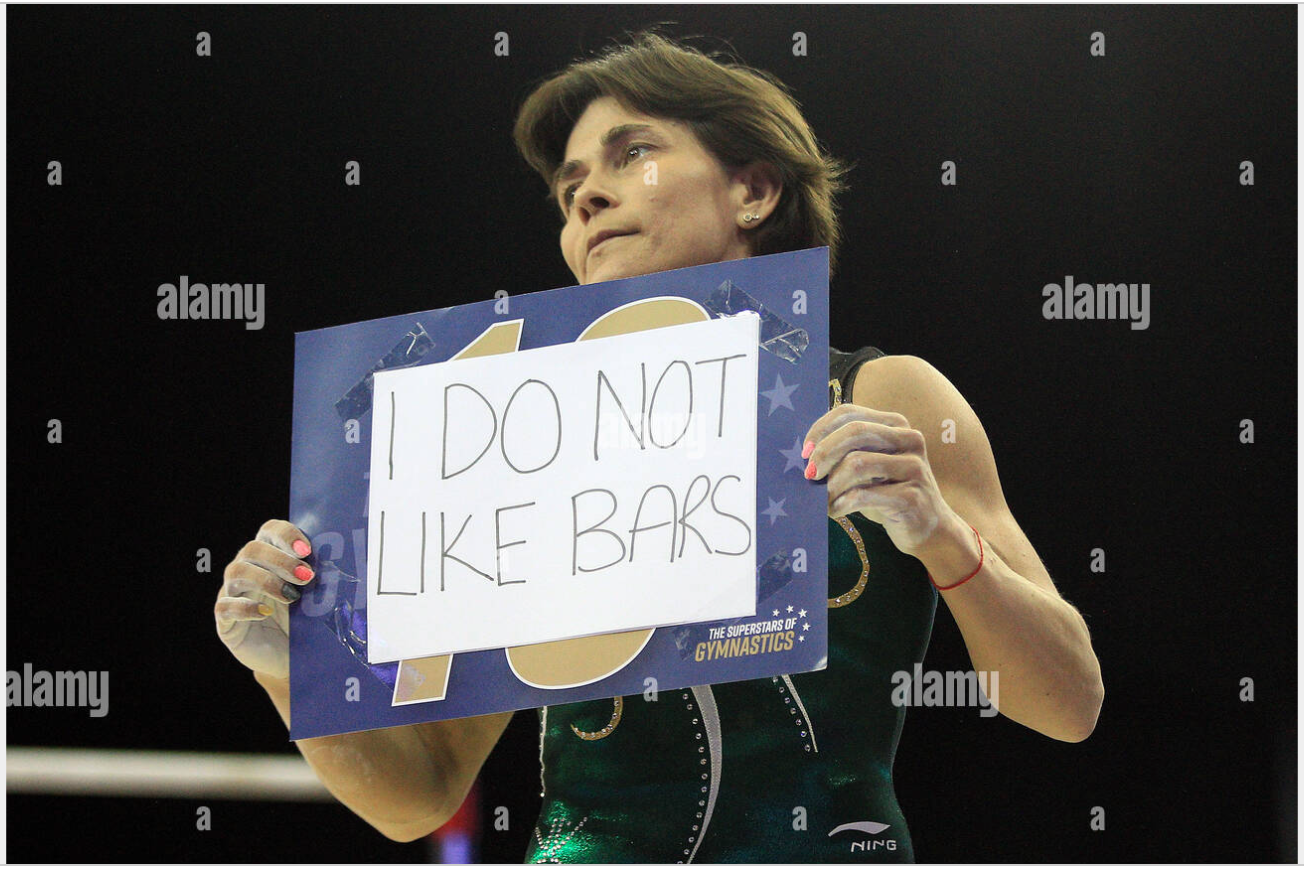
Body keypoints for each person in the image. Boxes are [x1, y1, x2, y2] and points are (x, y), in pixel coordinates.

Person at [215, 31, 1103, 862]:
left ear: (754, 191)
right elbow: (418, 796)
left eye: (631, 154)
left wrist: (941, 534)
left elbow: (1068, 704)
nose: (586, 198)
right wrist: (290, 672)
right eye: (569, 192)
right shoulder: (517, 439)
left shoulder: (883, 397)